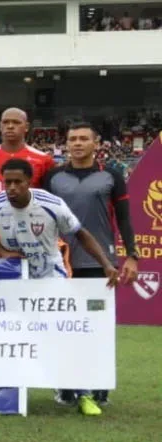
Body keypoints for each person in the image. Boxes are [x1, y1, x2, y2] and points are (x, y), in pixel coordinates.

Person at [0, 158, 120, 416]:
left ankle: (82, 394)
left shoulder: (52, 205)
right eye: (7, 182)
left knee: (65, 335)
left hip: (51, 276)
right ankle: (6, 391)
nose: (12, 187)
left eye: (18, 182)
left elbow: (81, 234)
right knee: (9, 334)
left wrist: (106, 264)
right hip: (15, 280)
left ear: (29, 182)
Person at [45, 122, 141, 407]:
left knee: (97, 328)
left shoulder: (111, 176)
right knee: (62, 327)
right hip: (60, 263)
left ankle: (99, 388)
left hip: (101, 264)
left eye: (83, 139)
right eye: (72, 139)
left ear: (96, 143)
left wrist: (132, 256)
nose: (77, 143)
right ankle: (65, 387)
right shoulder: (52, 177)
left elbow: (123, 218)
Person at [0, 108, 55, 259]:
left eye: (16, 122)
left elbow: (51, 205)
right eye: (6, 122)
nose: (10, 126)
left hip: (35, 240)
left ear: (26, 127)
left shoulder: (43, 160)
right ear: (0, 126)